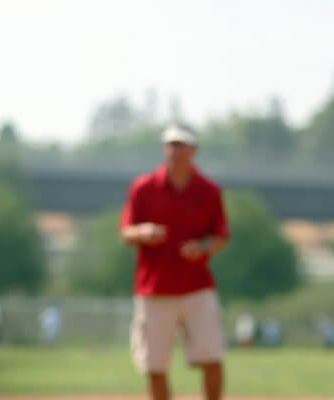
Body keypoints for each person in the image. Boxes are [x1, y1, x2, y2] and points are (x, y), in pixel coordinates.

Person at [120, 123, 230, 400]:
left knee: (212, 357)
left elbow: (221, 236)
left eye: (182, 146)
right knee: (154, 364)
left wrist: (202, 247)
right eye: (171, 145)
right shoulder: (144, 188)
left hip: (197, 286)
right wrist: (143, 232)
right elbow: (126, 232)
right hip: (154, 288)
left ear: (194, 151)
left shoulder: (208, 190)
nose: (175, 151)